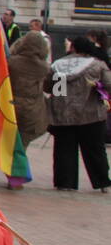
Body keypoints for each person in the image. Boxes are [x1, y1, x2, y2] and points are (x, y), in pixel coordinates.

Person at [44, 37, 111, 192]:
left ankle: (65, 182)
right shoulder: (97, 65)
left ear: (72, 48)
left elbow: (50, 88)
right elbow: (109, 85)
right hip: (91, 115)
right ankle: (102, 182)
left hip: (63, 115)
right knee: (95, 150)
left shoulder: (58, 65)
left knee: (64, 150)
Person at [5, 31, 51, 190]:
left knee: (12, 142)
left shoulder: (11, 62)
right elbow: (56, 86)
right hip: (33, 110)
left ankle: (15, 174)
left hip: (11, 106)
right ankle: (16, 176)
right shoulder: (44, 67)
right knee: (22, 143)